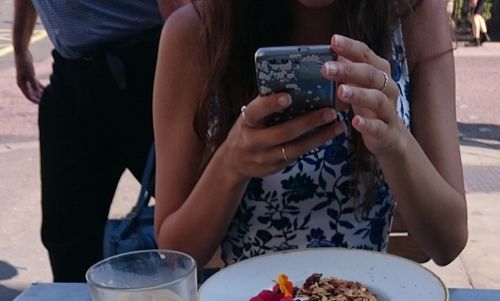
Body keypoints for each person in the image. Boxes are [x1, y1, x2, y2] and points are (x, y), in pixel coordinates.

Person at [153, 0, 467, 270]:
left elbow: (448, 242)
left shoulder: (414, 15)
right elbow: (176, 255)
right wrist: (230, 166)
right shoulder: (197, 31)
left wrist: (395, 143)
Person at [12, 1, 187, 282]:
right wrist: (20, 47)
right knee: (66, 233)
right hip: (72, 73)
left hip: (143, 67)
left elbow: (179, 11)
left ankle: (227, 298)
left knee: (195, 215)